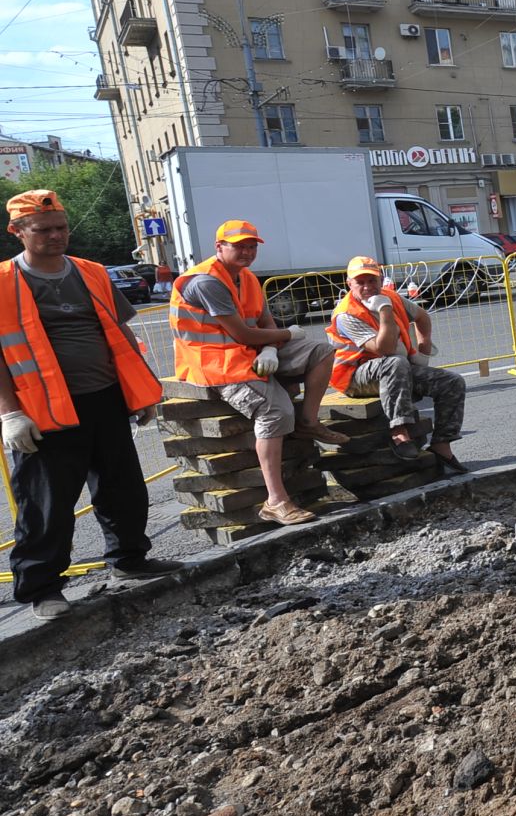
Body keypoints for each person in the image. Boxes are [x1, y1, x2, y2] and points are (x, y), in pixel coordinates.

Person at [0, 190, 183, 619]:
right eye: (43, 229)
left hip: (105, 397)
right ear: (17, 232)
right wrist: (9, 413)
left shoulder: (91, 273)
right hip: (43, 409)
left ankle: (130, 561)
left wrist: (139, 393)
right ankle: (43, 587)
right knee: (46, 501)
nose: (56, 235)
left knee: (122, 486)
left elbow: (118, 335)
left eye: (61, 227)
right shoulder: (4, 283)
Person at [170, 219, 348, 527]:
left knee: (322, 351)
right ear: (219, 247)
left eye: (251, 246)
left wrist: (271, 347)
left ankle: (307, 422)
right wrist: (283, 338)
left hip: (248, 353)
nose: (247, 252)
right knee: (276, 411)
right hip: (213, 362)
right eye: (239, 246)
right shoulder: (206, 282)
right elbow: (242, 334)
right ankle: (276, 501)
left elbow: (265, 322)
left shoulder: (247, 278)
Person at [325, 257, 469, 472]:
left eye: (372, 281)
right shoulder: (346, 314)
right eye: (360, 282)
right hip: (354, 377)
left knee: (452, 382)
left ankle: (441, 445)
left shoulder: (392, 297)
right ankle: (399, 432)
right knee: (395, 361)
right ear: (349, 284)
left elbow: (422, 316)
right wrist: (384, 311)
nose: (367, 287)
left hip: (394, 369)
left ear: (380, 280)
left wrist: (424, 346)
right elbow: (384, 350)